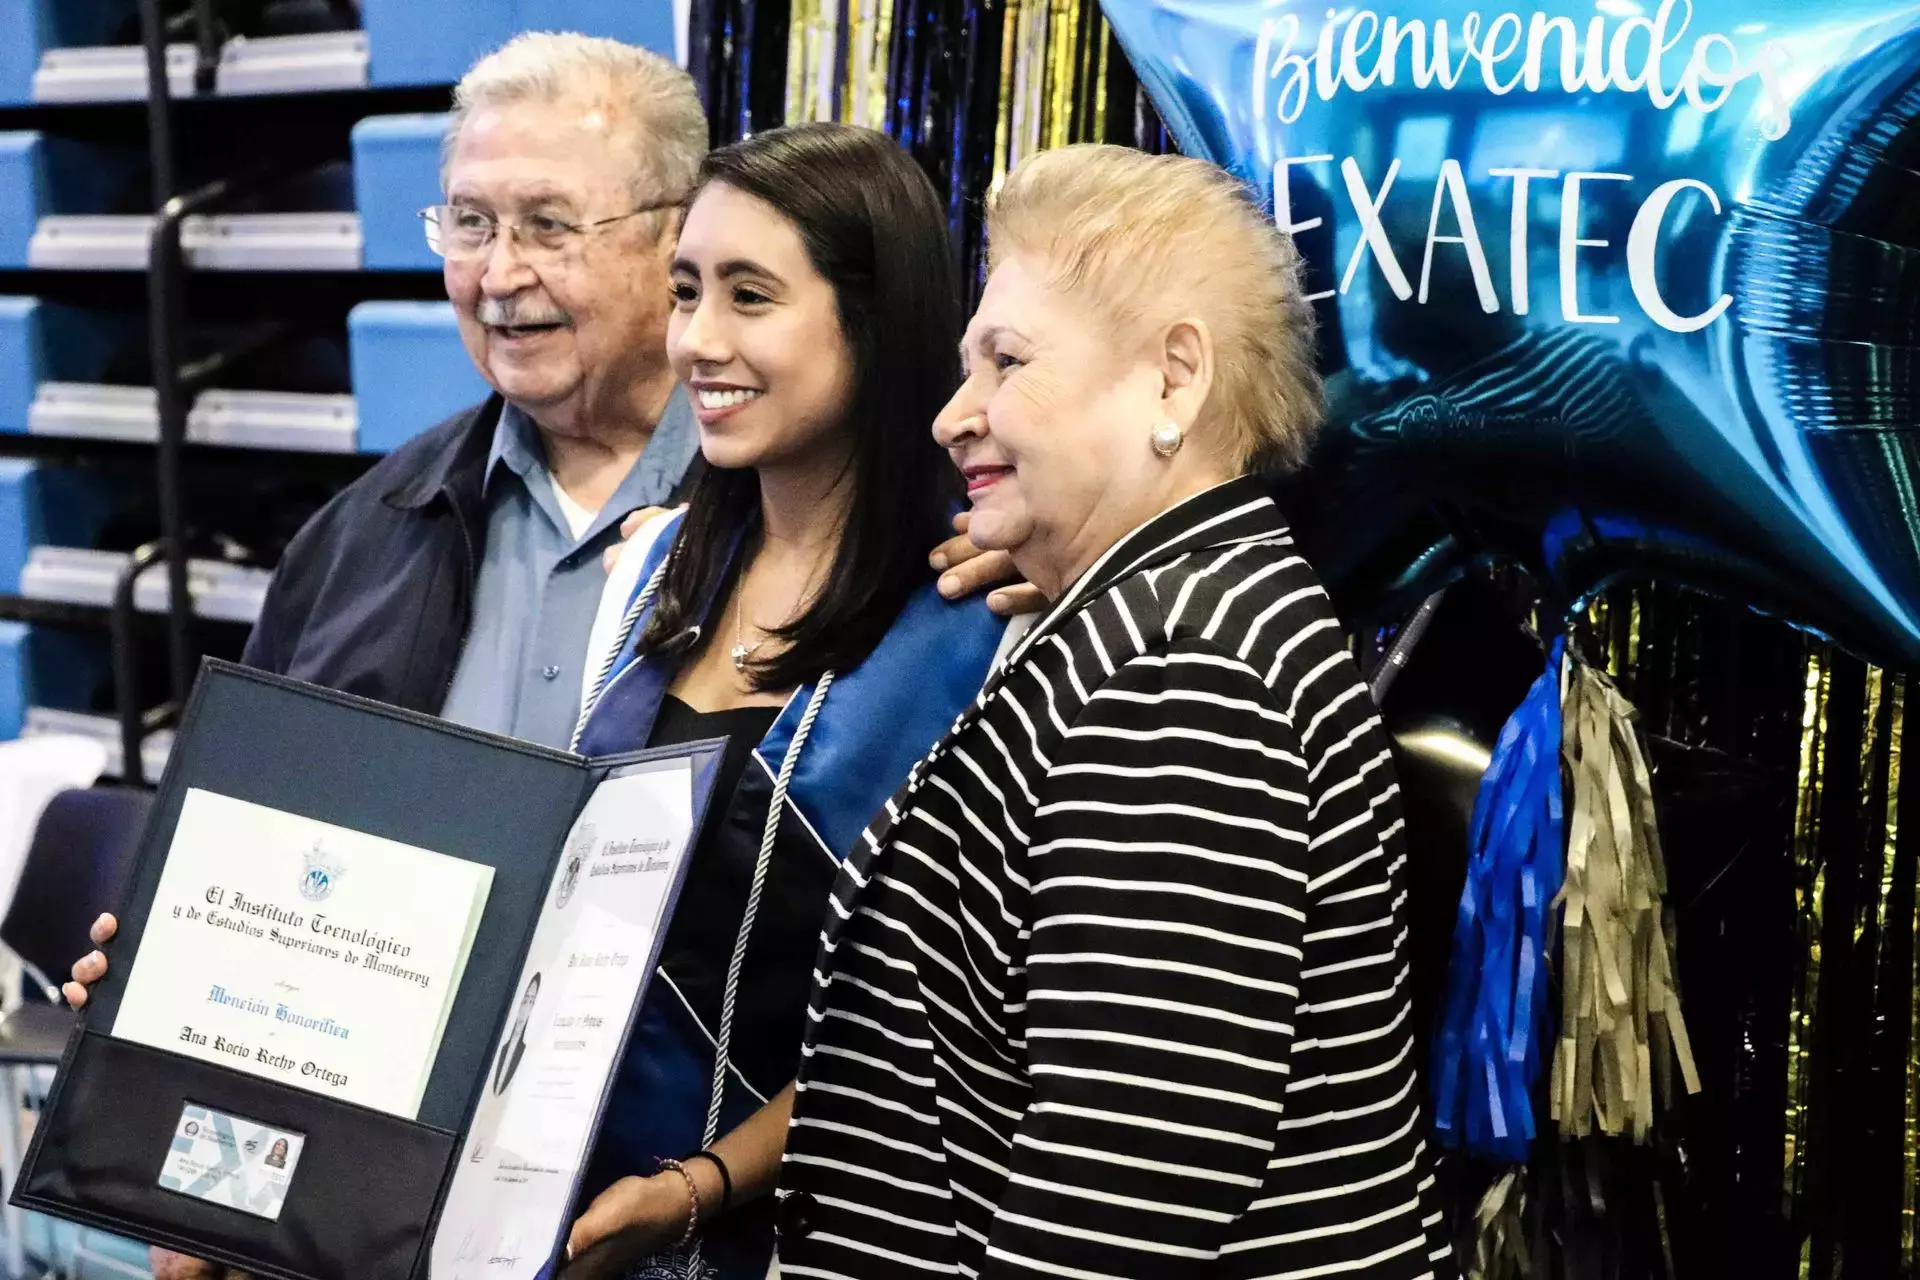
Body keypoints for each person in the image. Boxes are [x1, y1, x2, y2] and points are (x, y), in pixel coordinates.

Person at [776, 145, 1455, 1278]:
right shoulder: (1158, 616)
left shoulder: (1182, 672)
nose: (954, 414)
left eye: (1008, 360)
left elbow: (1115, 1210)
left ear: (1173, 379)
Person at [552, 122, 1006, 1280]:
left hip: (814, 1240)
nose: (697, 339)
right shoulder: (652, 570)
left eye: (751, 295)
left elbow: (935, 1032)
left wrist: (701, 1187)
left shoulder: (976, 627)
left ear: (873, 315)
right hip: (565, 1212)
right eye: (687, 290)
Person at [494, 971, 542, 1094]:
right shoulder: (501, 1044)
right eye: (525, 1001)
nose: (526, 1009)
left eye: (531, 1002)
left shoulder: (526, 1049)